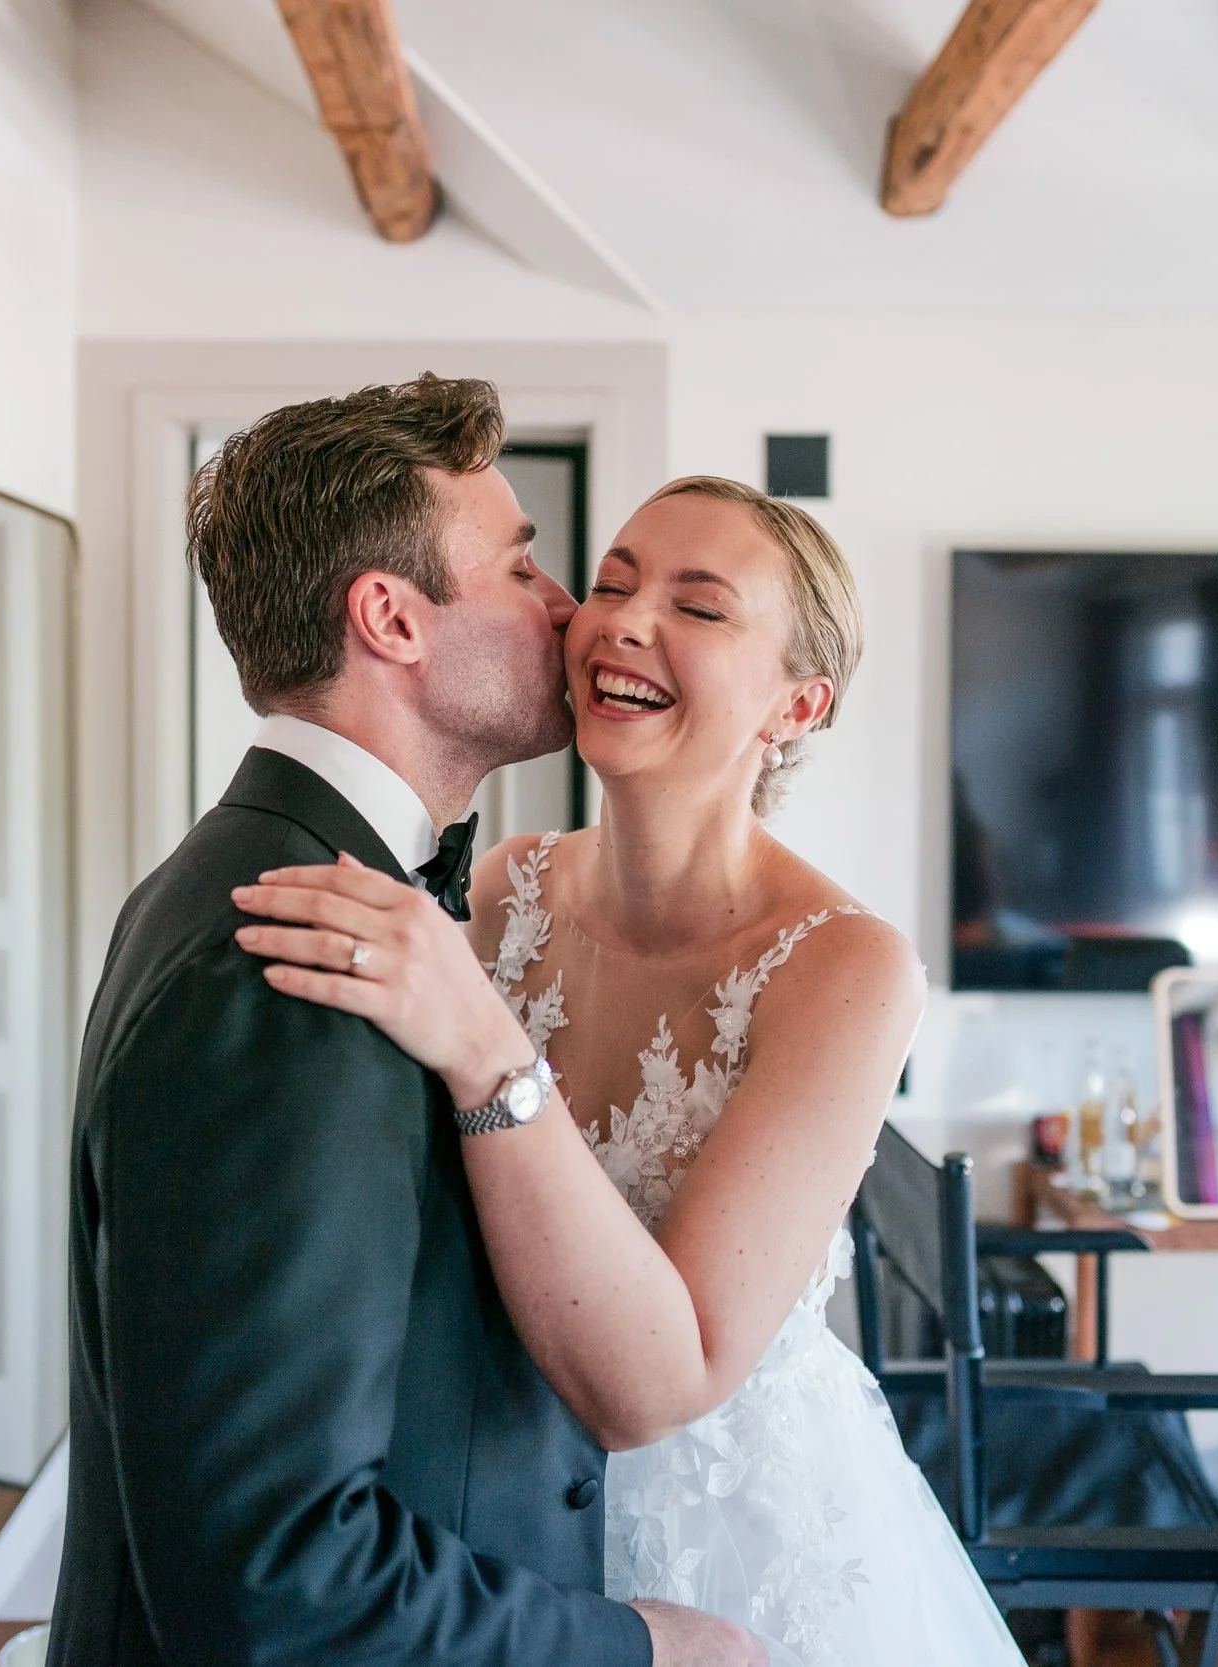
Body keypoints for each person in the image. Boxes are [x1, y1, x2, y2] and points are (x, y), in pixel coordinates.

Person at [236, 476, 1029, 1666]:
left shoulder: (847, 971)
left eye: (698, 606)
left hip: (732, 1563)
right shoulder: (501, 890)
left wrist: (487, 1050)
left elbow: (672, 1374)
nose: (620, 619)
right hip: (493, 1519)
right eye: (611, 581)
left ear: (796, 703)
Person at [48, 375, 762, 1667]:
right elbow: (276, 1568)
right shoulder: (287, 959)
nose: (567, 611)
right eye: (523, 565)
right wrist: (638, 1648)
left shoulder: (306, 892)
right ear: (391, 618)